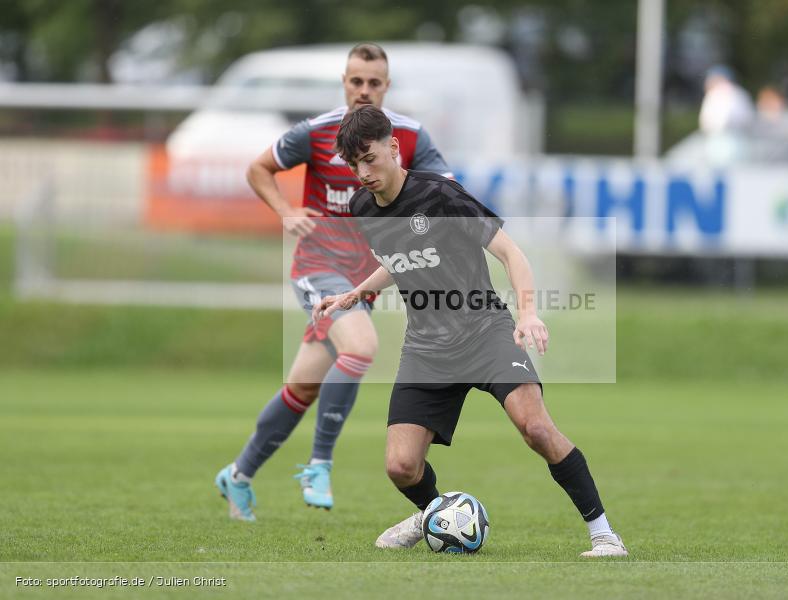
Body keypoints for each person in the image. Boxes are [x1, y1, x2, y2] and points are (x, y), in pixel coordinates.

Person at [314, 105, 628, 557]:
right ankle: (433, 514)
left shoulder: (441, 196)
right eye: (354, 164)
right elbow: (399, 259)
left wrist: (528, 314)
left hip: (484, 330)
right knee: (401, 466)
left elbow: (511, 252)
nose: (363, 173)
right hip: (426, 348)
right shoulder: (364, 207)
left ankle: (604, 534)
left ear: (393, 148)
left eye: (370, 159)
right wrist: (355, 293)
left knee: (536, 428)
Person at [215, 43, 451, 520]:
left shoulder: (408, 136)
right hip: (317, 267)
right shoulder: (317, 132)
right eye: (355, 81)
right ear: (344, 82)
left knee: (302, 388)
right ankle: (320, 463)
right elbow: (258, 168)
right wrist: (285, 211)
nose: (364, 90)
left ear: (387, 87)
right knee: (361, 347)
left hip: (361, 281)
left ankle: (237, 474)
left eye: (374, 82)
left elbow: (444, 190)